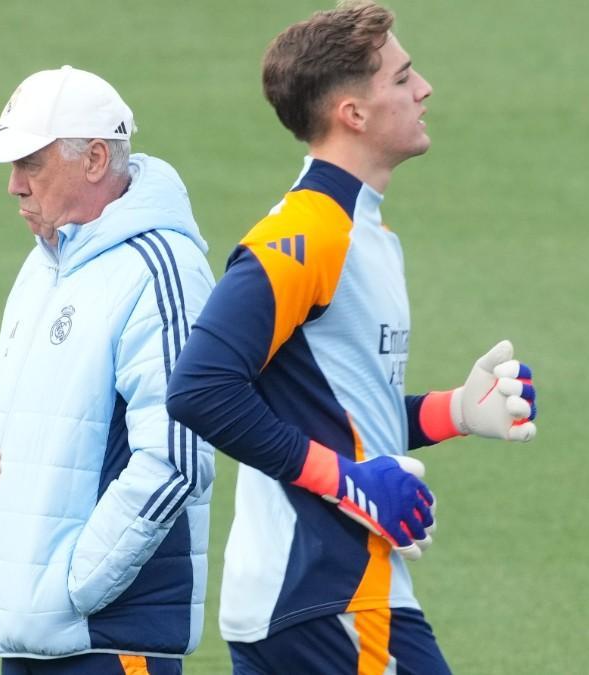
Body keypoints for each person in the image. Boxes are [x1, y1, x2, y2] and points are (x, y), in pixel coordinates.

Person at [166, 3, 538, 673]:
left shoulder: (367, 234)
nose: (423, 89)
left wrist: (454, 410)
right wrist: (348, 482)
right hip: (329, 596)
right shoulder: (309, 234)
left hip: (317, 599)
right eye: (401, 78)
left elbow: (335, 412)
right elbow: (200, 387)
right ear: (353, 114)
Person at [0, 66, 216, 675]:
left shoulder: (161, 269)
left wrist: (76, 588)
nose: (14, 186)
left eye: (31, 164)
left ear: (96, 158)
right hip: (35, 636)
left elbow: (177, 457)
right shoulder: (46, 263)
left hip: (106, 640)